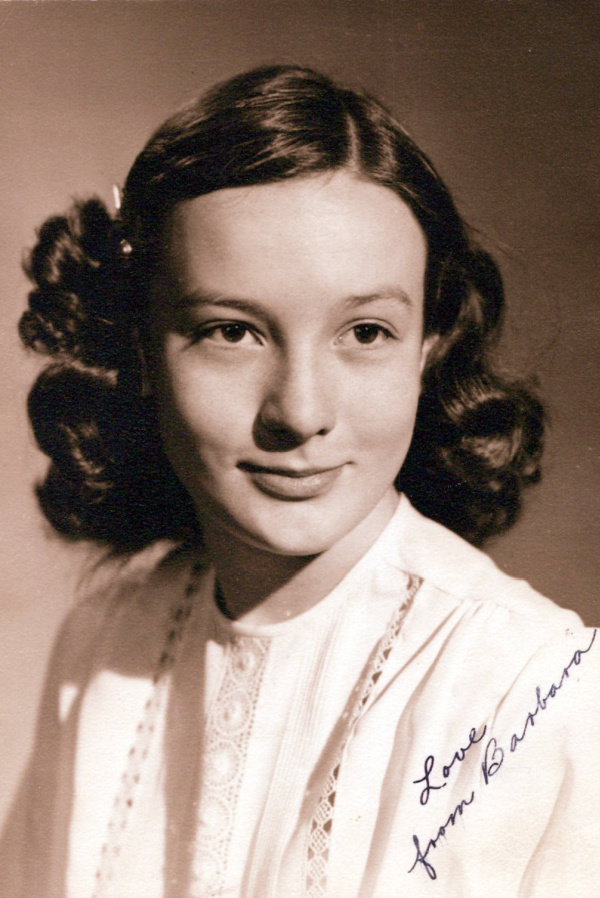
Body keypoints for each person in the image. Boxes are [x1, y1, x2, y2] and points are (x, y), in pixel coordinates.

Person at [1, 65, 598, 898]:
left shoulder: (534, 687)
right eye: (233, 332)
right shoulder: (105, 644)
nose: (301, 411)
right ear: (140, 349)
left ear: (427, 349)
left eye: (365, 331)